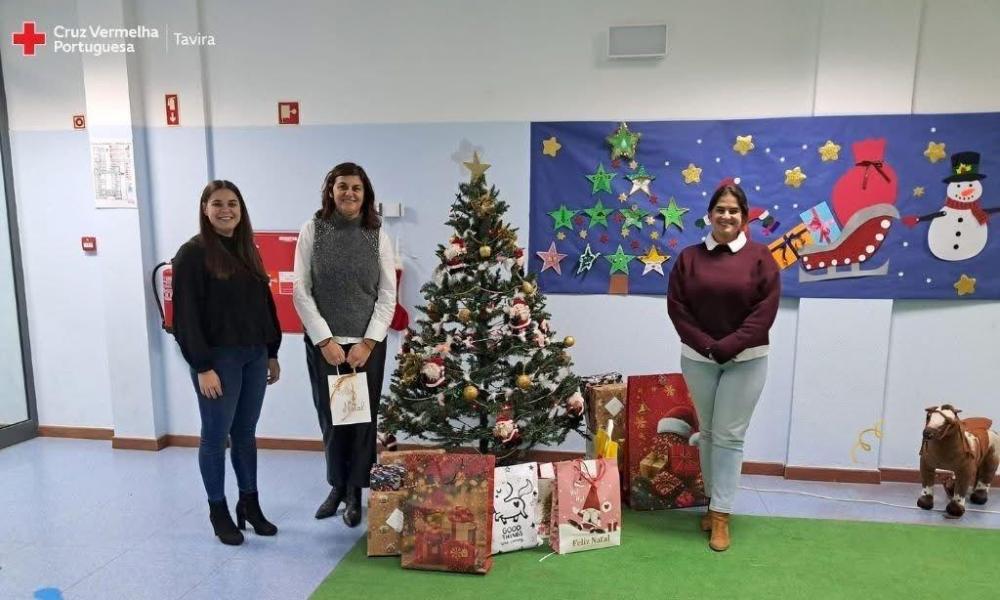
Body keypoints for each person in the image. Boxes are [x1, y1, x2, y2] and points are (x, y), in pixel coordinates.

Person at [666, 180, 780, 552]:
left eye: (734, 210)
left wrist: (728, 346)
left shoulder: (761, 258)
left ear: (744, 217)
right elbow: (678, 308)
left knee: (730, 436)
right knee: (709, 434)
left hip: (745, 361)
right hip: (699, 359)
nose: (726, 215)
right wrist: (707, 346)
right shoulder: (689, 258)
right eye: (720, 209)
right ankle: (715, 502)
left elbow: (764, 313)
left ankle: (721, 517)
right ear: (710, 214)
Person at [171, 180, 282, 546]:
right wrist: (202, 366)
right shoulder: (191, 254)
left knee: (246, 434)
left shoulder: (247, 248)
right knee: (215, 437)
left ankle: (249, 504)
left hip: (253, 354)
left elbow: (263, 302)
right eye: (217, 203)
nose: (226, 210)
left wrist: (272, 351)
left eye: (232, 203)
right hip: (218, 360)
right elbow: (185, 316)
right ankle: (218, 510)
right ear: (205, 208)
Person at [293, 162, 396, 527]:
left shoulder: (377, 233)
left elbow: (387, 293)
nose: (349, 193)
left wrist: (367, 343)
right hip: (326, 347)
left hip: (366, 346)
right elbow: (301, 291)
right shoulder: (313, 230)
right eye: (342, 187)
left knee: (361, 421)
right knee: (332, 419)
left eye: (356, 187)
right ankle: (336, 486)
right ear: (331, 191)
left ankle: (355, 492)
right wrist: (324, 340)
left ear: (365, 193)